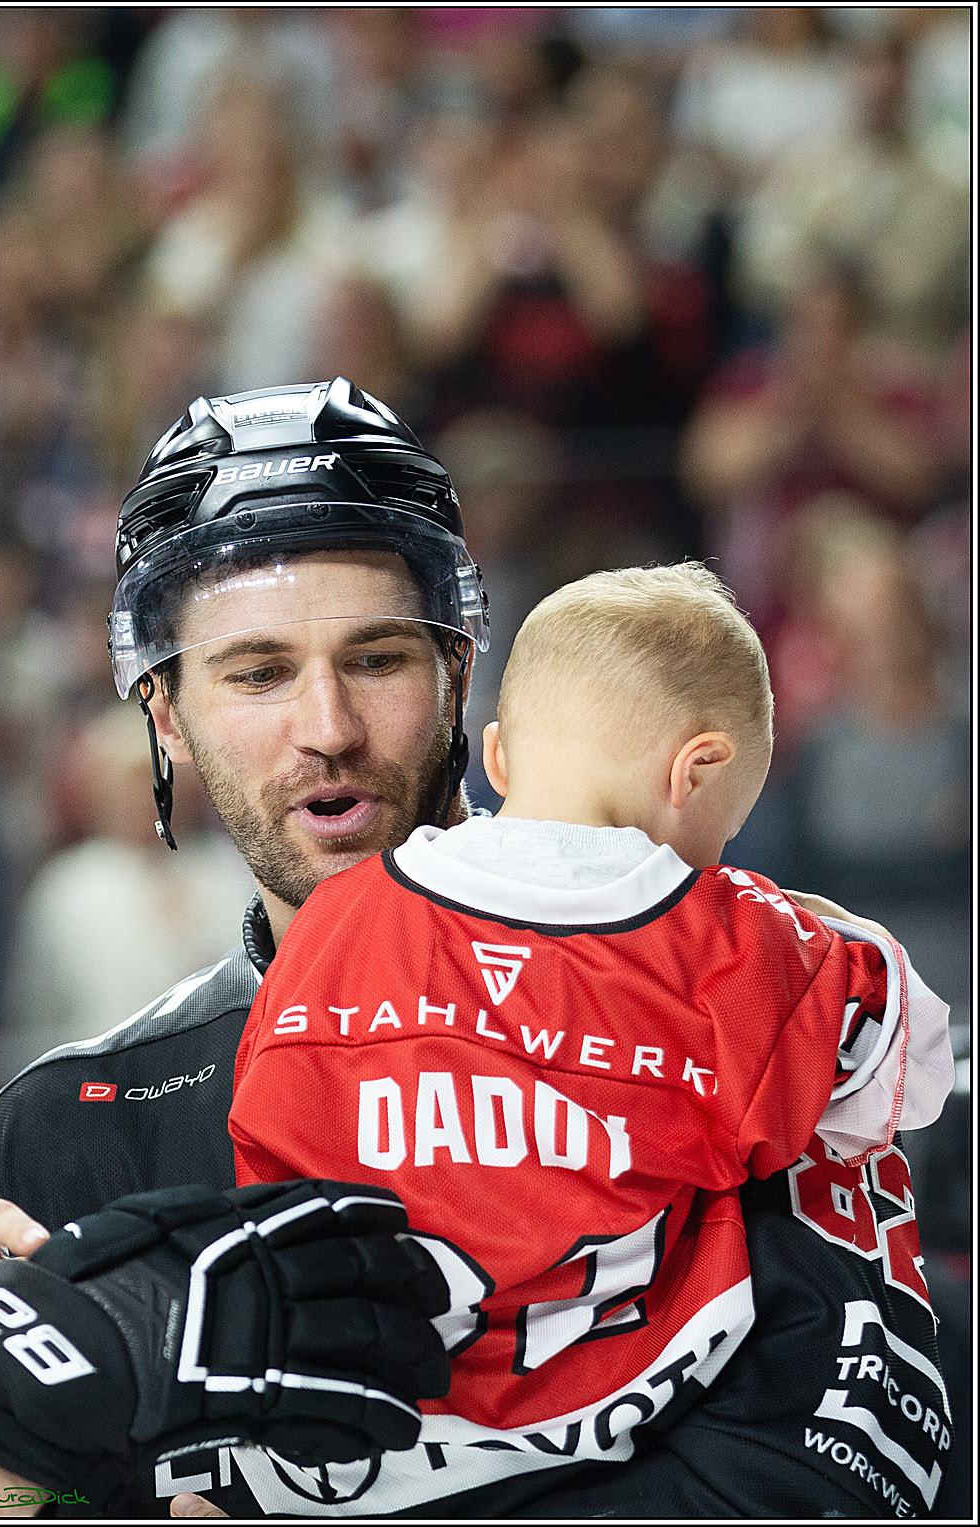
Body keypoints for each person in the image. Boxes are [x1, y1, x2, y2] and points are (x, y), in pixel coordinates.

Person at [0, 380, 956, 1519]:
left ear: (460, 669)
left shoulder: (727, 995)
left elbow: (842, 1479)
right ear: (165, 713)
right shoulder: (64, 1126)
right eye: (257, 673)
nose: (327, 728)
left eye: (378, 659)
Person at [229, 562, 953, 1509]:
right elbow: (920, 1061)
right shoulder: (733, 940)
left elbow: (263, 1135)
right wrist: (814, 923)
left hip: (340, 1455)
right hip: (612, 1442)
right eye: (725, 827)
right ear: (698, 772)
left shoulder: (334, 919)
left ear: (496, 756)